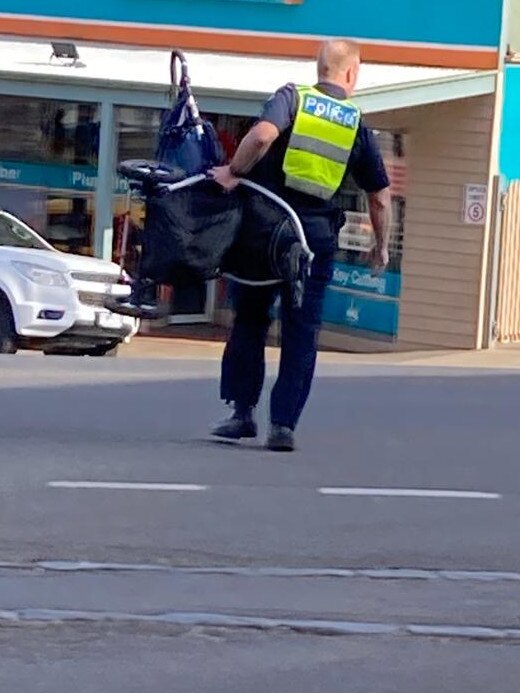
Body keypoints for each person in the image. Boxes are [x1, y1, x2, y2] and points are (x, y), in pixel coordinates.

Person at [209, 39, 391, 452]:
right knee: (300, 331)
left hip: (264, 234)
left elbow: (261, 136)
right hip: (314, 243)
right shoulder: (356, 125)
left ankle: (241, 414)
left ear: (320, 68)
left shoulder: (292, 98)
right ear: (351, 74)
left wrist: (233, 172)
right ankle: (283, 426)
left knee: (250, 320)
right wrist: (380, 247)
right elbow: (379, 196)